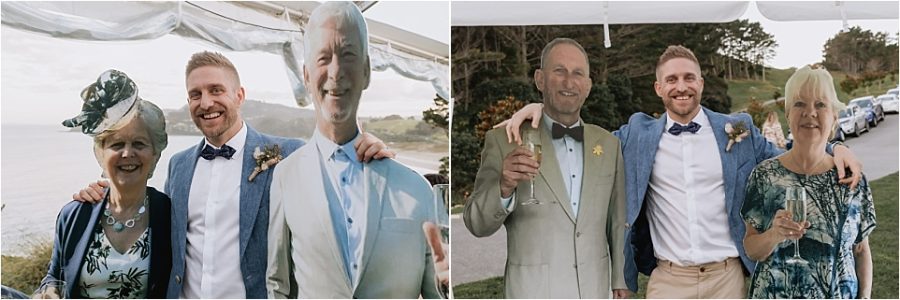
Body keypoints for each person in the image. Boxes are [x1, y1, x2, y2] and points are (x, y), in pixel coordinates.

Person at [497, 45, 863, 298]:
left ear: (701, 83)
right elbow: (578, 138)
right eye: (671, 80)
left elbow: (792, 153)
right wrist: (541, 112)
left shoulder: (737, 130)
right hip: (668, 280)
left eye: (689, 77)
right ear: (659, 88)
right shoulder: (636, 136)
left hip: (728, 277)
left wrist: (836, 147)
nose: (681, 86)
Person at [74, 52, 393, 298]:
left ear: (239, 95)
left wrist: (365, 153)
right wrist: (106, 196)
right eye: (195, 94)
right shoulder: (179, 165)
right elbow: (153, 221)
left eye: (216, 90)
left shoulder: (289, 153)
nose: (206, 102)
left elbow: (344, 195)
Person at [266, 2, 442, 298]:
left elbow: (437, 291)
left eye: (348, 55)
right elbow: (277, 285)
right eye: (323, 58)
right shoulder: (285, 176)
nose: (336, 72)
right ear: (307, 75)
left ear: (366, 70)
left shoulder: (415, 187)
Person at [465, 37, 629, 299]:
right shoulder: (503, 141)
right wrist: (504, 186)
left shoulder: (609, 145)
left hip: (595, 290)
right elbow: (476, 223)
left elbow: (617, 220)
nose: (568, 82)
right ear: (540, 79)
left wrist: (620, 279)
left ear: (588, 86)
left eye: (578, 74)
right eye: (559, 71)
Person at [741, 65, 874, 299]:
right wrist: (774, 234)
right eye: (799, 104)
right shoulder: (764, 175)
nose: (809, 112)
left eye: (820, 104)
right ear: (788, 114)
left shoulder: (851, 177)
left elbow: (861, 250)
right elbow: (751, 250)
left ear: (834, 117)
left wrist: (864, 297)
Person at [42, 70, 171, 298]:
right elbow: (54, 276)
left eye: (139, 144)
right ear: (101, 153)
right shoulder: (74, 215)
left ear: (155, 154)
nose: (127, 153)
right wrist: (49, 290)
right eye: (117, 144)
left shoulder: (171, 216)